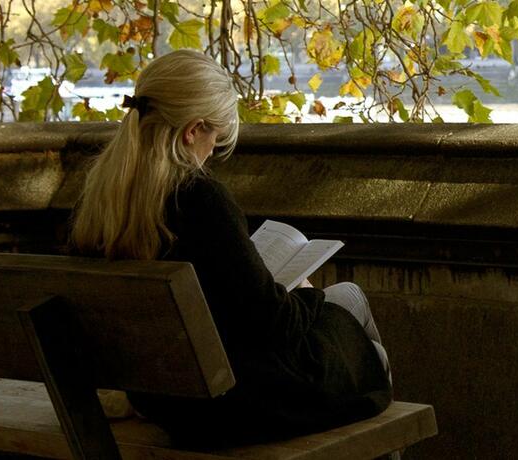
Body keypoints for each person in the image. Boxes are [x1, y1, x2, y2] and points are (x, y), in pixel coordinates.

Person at [69, 49, 391, 447]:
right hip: (233, 407)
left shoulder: (101, 202)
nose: (213, 148)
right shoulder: (198, 199)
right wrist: (303, 293)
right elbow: (274, 325)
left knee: (345, 305)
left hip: (167, 403)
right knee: (357, 317)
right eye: (214, 136)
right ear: (192, 130)